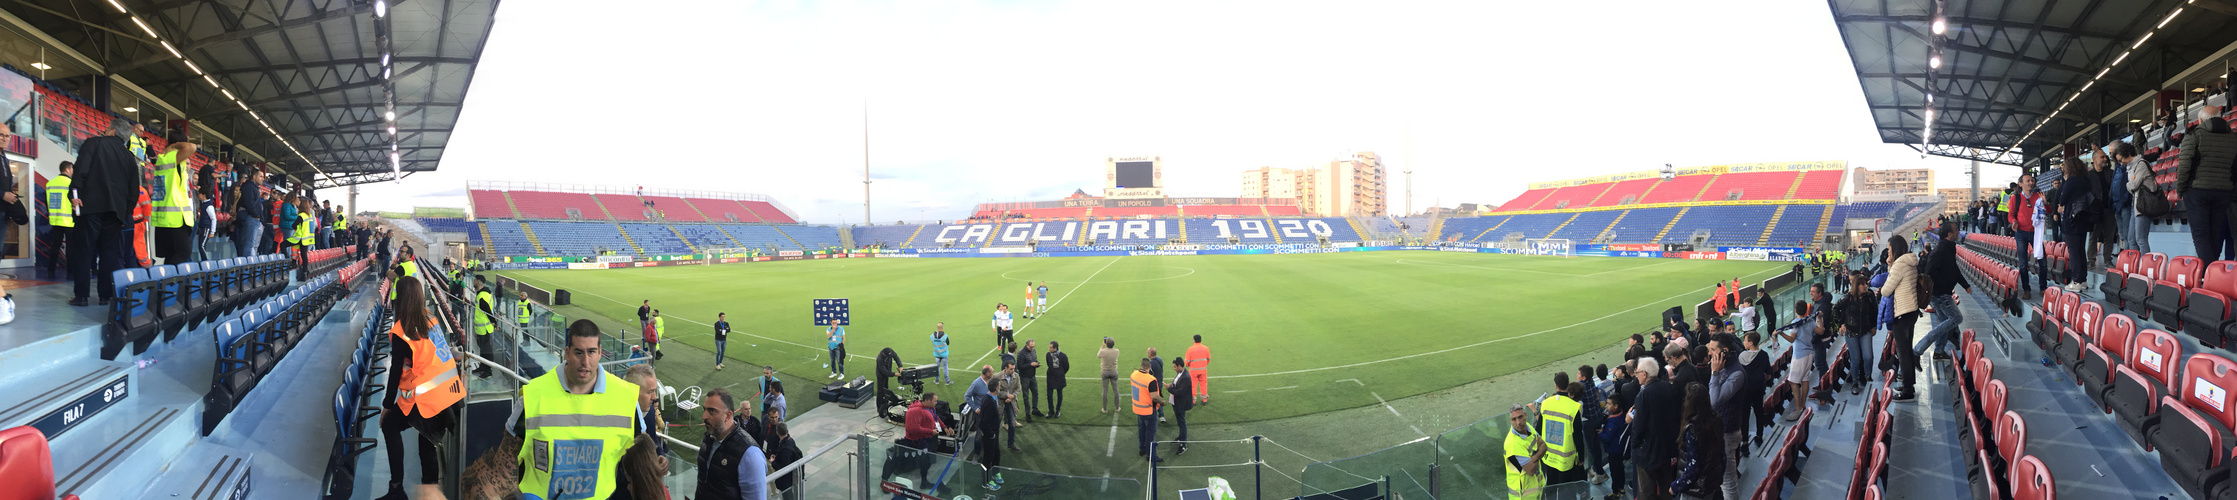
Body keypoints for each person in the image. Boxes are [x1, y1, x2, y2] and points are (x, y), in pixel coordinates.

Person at [512, 320, 643, 500]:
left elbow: (642, 463)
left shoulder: (626, 399)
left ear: (599, 353)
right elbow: (505, 463)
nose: (585, 362)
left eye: (591, 352)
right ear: (567, 353)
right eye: (578, 353)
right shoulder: (532, 396)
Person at [376, 277, 463, 500]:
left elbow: (395, 372)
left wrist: (387, 406)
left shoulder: (401, 330)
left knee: (390, 425)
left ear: (400, 298)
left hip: (428, 398)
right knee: (427, 441)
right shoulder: (430, 317)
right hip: (450, 393)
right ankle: (429, 490)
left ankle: (397, 489)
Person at [68, 119, 142, 307]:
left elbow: (80, 172)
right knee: (110, 254)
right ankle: (105, 296)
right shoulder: (130, 157)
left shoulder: (93, 144)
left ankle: (82, 296)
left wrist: (74, 194)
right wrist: (124, 214)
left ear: (111, 131)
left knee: (84, 251)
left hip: (90, 208)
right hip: (115, 213)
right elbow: (134, 192)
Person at [2181, 106, 2237, 261]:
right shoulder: (2233, 137)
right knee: (2214, 233)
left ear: (2200, 120)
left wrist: (2180, 189)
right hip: (2224, 192)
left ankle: (2208, 274)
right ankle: (2214, 272)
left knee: (2201, 236)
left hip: (2197, 191)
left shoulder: (2194, 135)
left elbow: (2184, 166)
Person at [1916, 223, 1975, 362]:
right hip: (1939, 294)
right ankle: (1918, 349)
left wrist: (1965, 284)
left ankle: (1939, 351)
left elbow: (1954, 268)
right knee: (1956, 318)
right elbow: (1928, 274)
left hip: (1942, 292)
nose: (1958, 232)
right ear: (1949, 235)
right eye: (1956, 231)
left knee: (1943, 321)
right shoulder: (1940, 251)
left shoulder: (1949, 248)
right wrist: (1936, 290)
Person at [697, 388, 767, 500]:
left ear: (728, 416)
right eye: (704, 409)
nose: (704, 416)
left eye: (712, 411)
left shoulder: (750, 455)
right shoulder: (708, 439)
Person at [1627, 357, 1679, 500]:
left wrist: (1635, 448)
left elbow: (1638, 426)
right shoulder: (1668, 387)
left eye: (1637, 372)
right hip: (1666, 448)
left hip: (1648, 452)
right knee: (1665, 488)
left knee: (1646, 492)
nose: (1636, 375)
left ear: (1644, 373)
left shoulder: (1643, 395)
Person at [1879, 235, 1922, 400]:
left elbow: (1886, 290)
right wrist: (1891, 265)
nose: (1888, 252)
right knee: (1907, 352)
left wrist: (1891, 266)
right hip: (1911, 311)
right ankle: (1908, 384)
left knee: (1903, 353)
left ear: (1894, 249)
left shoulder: (1899, 265)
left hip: (1902, 313)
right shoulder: (1908, 262)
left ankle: (1907, 391)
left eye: (1889, 249)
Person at [1669, 382, 1725, 500]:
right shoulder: (1716, 420)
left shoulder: (1692, 429)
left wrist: (1675, 486)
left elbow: (1692, 469)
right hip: (1712, 483)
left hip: (1695, 491)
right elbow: (1722, 455)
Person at [1706, 335, 1745, 500]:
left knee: (1728, 481)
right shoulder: (1723, 367)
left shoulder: (1736, 373)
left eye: (1713, 349)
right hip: (1720, 430)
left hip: (1727, 432)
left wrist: (1714, 373)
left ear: (1725, 351)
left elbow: (1714, 401)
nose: (1709, 353)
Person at [1769, 300, 1820, 420]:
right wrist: (1820, 319)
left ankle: (1798, 409)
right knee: (1805, 380)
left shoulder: (1796, 322)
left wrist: (1781, 334)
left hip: (1800, 355)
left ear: (1795, 310)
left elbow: (1792, 339)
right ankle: (1802, 405)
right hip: (1809, 354)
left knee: (1793, 382)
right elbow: (1820, 331)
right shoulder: (1810, 320)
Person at [1538, 372, 1584, 490]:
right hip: (1566, 460)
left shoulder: (1545, 403)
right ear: (1568, 384)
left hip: (1548, 457)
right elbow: (1578, 436)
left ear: (1555, 385)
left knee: (1551, 489)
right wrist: (1581, 458)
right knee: (1567, 491)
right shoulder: (1574, 407)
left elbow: (1538, 429)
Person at [1838, 275, 1878, 395]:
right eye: (1862, 284)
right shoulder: (1847, 298)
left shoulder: (1870, 296)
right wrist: (1842, 323)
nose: (1865, 286)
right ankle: (1855, 383)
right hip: (1851, 333)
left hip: (1866, 331)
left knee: (1868, 357)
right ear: (1856, 286)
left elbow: (1874, 311)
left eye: (1866, 283)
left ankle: (1867, 376)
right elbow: (1836, 309)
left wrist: (1874, 326)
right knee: (1855, 359)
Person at [898, 392, 948, 484]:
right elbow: (912, 429)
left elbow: (935, 418)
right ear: (928, 401)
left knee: (925, 461)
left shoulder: (930, 407)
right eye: (935, 401)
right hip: (916, 440)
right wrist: (930, 431)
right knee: (924, 461)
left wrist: (944, 427)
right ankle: (923, 482)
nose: (936, 403)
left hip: (926, 439)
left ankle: (924, 481)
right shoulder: (915, 411)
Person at [2116, 141, 2155, 254]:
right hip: (2136, 206)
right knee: (2131, 239)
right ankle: (2135, 267)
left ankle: (2145, 268)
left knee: (2141, 240)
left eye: (2120, 160)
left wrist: (2129, 183)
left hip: (2144, 205)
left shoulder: (2141, 164)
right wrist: (2131, 183)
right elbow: (2132, 186)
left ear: (2127, 154)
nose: (2121, 163)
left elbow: (2133, 185)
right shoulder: (2130, 168)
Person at [971, 366, 1005, 490]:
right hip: (989, 435)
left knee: (996, 454)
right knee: (987, 459)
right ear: (996, 387)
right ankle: (986, 481)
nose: (1000, 386)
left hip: (993, 433)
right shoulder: (989, 401)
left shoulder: (990, 397)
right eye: (999, 385)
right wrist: (991, 434)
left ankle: (995, 473)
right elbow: (984, 422)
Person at [1506, 402, 1549, 500]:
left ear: (1525, 415)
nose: (1518, 422)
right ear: (1510, 421)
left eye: (1520, 417)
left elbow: (1544, 445)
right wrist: (1539, 452)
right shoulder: (1512, 444)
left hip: (1536, 488)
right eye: (1514, 419)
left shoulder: (1528, 427)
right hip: (1523, 495)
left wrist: (1533, 458)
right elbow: (1530, 470)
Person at [2009, 176, 2043, 295]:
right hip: (2021, 233)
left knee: (2042, 261)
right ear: (2020, 184)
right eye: (2028, 181)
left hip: (2036, 233)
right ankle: (2026, 289)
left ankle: (2043, 288)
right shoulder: (2015, 198)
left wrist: (2046, 203)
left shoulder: (2038, 197)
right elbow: (2011, 214)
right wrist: (2014, 221)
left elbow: (2048, 211)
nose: (2031, 183)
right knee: (2023, 264)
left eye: (2032, 181)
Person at [42, 161, 75, 281]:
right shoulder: (71, 183)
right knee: (71, 248)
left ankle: (50, 271)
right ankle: (71, 273)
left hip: (55, 220)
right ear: (67, 169)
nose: (73, 172)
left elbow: (47, 202)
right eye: (72, 169)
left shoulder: (50, 183)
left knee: (55, 246)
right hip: (69, 220)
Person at [1132, 358, 1164, 461]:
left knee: (1142, 429)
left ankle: (1142, 449)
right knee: (1150, 433)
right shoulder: (1151, 380)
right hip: (1148, 410)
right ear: (1149, 367)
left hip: (1138, 408)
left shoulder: (1134, 374)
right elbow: (1154, 396)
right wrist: (1162, 402)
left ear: (1141, 365)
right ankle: (1150, 455)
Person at [1167, 357, 1195, 456]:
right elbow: (1177, 386)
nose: (1174, 368)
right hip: (1176, 403)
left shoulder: (1186, 377)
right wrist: (1172, 385)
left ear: (1179, 366)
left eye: (1175, 367)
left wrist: (1169, 389)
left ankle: (1183, 444)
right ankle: (1180, 437)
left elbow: (1180, 392)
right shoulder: (1180, 373)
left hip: (1181, 404)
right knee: (1179, 422)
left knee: (1182, 423)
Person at [766, 422, 804, 496]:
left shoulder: (785, 447)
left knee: (787, 496)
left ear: (777, 432)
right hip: (791, 477)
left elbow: (783, 467)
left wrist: (773, 462)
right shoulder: (790, 440)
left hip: (786, 480)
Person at [1019, 339, 1044, 420]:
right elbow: (1019, 366)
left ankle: (1035, 409)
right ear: (1027, 345)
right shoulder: (1021, 353)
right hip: (1025, 377)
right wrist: (1030, 364)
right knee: (1026, 396)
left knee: (1035, 393)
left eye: (1033, 347)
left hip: (1032, 376)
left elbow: (1034, 360)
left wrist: (1036, 364)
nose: (1032, 348)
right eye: (1031, 347)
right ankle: (1027, 413)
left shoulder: (1033, 351)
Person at [1099, 337, 1123, 414]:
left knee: (1105, 391)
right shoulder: (1117, 351)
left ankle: (1105, 409)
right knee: (1116, 390)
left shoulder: (1103, 351)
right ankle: (1117, 408)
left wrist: (1102, 346)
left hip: (1104, 372)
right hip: (1113, 372)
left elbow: (1098, 355)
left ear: (1106, 343)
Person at [1185, 335, 1211, 405]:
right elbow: (1208, 359)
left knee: (1193, 385)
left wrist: (1189, 365)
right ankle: (1204, 399)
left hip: (1193, 371)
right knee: (1203, 384)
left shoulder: (1190, 349)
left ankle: (1193, 401)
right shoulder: (1206, 348)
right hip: (1203, 370)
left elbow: (1187, 361)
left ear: (1194, 340)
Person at [1046, 340, 1070, 418]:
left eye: (1050, 347)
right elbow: (1048, 364)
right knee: (1049, 395)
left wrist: (1061, 373)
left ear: (1055, 348)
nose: (1049, 349)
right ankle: (1051, 410)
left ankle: (1058, 410)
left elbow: (1066, 367)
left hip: (1059, 378)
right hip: (1050, 377)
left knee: (1059, 395)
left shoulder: (1063, 356)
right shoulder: (1048, 355)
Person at [1147, 347, 1167, 423]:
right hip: (1160, 381)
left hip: (1155, 384)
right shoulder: (1160, 359)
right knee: (1158, 397)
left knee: (1155, 399)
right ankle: (1161, 416)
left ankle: (1159, 415)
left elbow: (1149, 374)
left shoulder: (1151, 363)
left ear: (1149, 354)